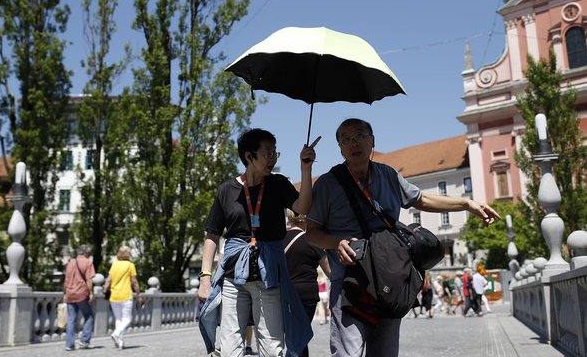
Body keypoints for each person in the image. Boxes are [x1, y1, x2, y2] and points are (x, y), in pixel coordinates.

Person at [305, 118, 501, 357]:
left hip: (389, 276)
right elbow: (312, 233)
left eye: (360, 136)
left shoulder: (388, 175)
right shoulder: (328, 183)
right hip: (350, 281)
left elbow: (421, 200)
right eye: (346, 139)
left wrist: (466, 204)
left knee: (385, 352)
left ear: (372, 141)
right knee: (347, 353)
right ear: (340, 148)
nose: (353, 143)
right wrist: (336, 243)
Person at [198, 128, 320, 357]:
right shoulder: (227, 190)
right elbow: (212, 234)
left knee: (272, 347)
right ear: (249, 156)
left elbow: (302, 208)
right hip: (234, 276)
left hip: (268, 275)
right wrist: (205, 276)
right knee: (229, 346)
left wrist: (306, 168)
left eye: (275, 154)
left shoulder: (278, 184)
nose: (272, 159)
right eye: (267, 153)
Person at [283, 209, 331, 357]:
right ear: (306, 219)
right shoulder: (312, 240)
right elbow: (329, 271)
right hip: (306, 295)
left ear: (289, 218)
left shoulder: (279, 240)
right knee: (300, 337)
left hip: (285, 294)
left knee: (295, 337)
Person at [103, 245, 143, 349]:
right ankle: (116, 334)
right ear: (127, 254)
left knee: (118, 319)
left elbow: (108, 279)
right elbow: (134, 282)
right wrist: (138, 294)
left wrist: (105, 288)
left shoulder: (114, 265)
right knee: (127, 319)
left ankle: (120, 343)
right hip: (125, 294)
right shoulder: (130, 265)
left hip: (114, 295)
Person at [63, 244, 96, 351]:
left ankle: (69, 344)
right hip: (81, 294)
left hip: (70, 294)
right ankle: (85, 341)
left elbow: (66, 280)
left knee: (71, 319)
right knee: (89, 315)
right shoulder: (88, 262)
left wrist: (65, 293)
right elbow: (89, 280)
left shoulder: (70, 262)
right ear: (86, 253)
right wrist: (91, 293)